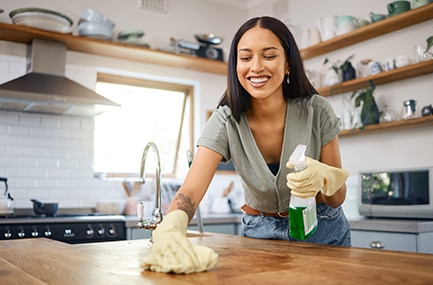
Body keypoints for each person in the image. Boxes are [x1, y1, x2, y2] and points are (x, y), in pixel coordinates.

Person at [140, 16, 350, 274]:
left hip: (323, 231)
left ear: (287, 65)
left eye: (269, 56)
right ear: (236, 65)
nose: (256, 67)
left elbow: (337, 199)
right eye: (246, 57)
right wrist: (172, 226)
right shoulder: (225, 121)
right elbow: (191, 191)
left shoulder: (318, 111)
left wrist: (325, 177)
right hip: (259, 234)